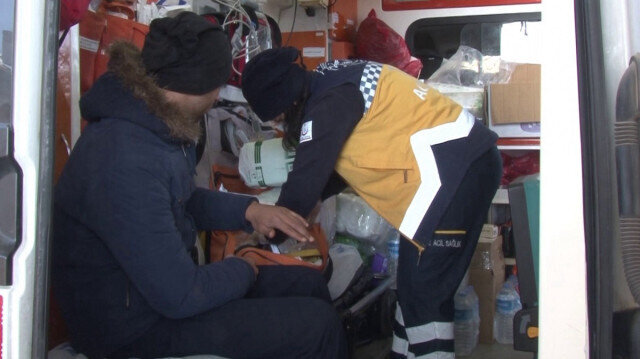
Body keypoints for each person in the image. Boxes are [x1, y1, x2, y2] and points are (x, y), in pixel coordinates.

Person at [52, 13, 347, 359]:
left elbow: (181, 201)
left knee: (309, 283)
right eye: (218, 85)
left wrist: (251, 211)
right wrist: (240, 270)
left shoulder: (151, 124)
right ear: (193, 85)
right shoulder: (123, 158)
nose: (218, 96)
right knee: (318, 325)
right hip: (131, 330)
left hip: (157, 298)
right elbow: (180, 295)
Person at [241, 47, 502, 359]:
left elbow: (301, 186)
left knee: (425, 298)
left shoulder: (326, 105)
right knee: (410, 284)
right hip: (462, 167)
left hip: (454, 175)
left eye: (278, 117)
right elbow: (333, 166)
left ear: (287, 98)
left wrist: (264, 235)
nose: (278, 126)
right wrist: (317, 197)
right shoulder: (330, 81)